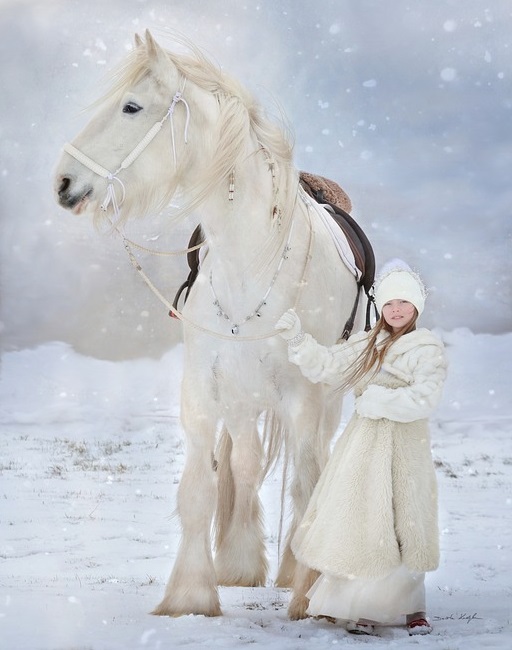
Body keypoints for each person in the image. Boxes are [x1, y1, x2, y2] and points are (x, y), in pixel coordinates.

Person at [275, 259, 447, 637]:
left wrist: (378, 402)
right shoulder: (366, 343)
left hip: (405, 447)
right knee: (365, 522)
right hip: (364, 446)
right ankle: (365, 605)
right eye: (389, 303)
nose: (396, 309)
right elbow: (326, 366)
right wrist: (297, 339)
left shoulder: (426, 347)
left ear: (417, 307)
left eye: (404, 302)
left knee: (407, 522)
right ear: (381, 307)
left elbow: (425, 397)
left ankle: (411, 607)